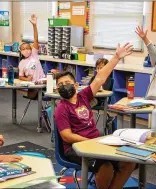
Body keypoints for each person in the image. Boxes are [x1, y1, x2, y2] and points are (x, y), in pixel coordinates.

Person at [54, 43, 136, 189]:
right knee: (106, 167)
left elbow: (100, 78)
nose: (64, 86)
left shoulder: (83, 96)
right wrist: (91, 142)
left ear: (76, 85)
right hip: (76, 147)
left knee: (129, 162)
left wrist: (116, 57)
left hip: (95, 142)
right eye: (60, 85)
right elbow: (67, 136)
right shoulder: (61, 108)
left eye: (67, 83)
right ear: (56, 89)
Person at [18, 14, 45, 99]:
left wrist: (34, 25)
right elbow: (20, 76)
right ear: (21, 51)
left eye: (27, 48)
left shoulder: (34, 54)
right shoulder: (21, 63)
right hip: (33, 85)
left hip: (43, 82)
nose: (26, 50)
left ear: (31, 49)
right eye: (23, 49)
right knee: (37, 96)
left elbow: (36, 39)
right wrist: (27, 79)